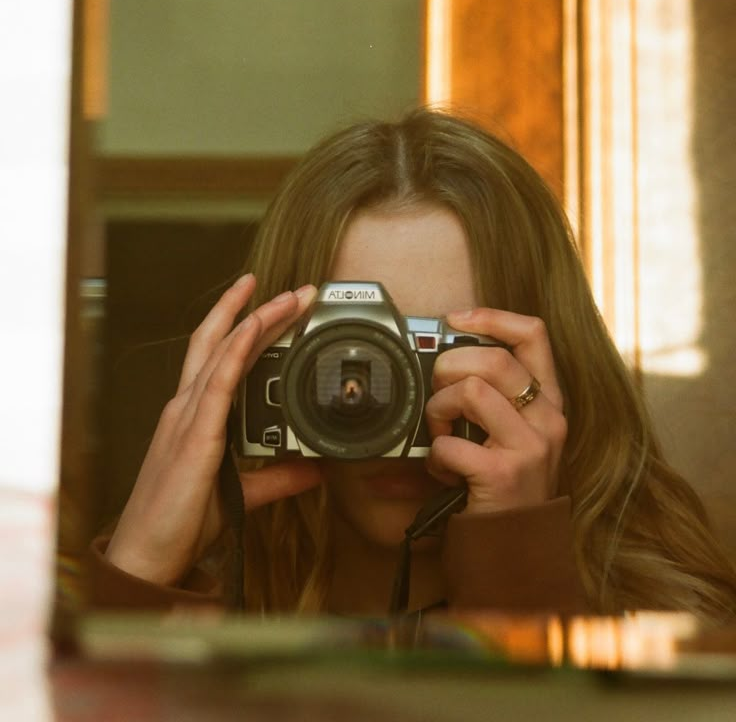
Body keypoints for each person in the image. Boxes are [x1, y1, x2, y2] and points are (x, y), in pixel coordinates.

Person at [89, 108, 736, 621]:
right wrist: (143, 570)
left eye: (435, 355)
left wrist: (518, 575)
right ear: (267, 369)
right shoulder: (200, 623)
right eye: (356, 352)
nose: (371, 393)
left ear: (544, 371)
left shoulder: (677, 638)